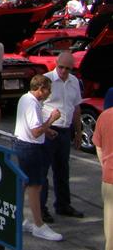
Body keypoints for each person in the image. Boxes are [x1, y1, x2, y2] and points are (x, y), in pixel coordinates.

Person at [14, 75, 64, 242]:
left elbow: (30, 126)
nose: (49, 94)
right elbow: (35, 132)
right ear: (41, 89)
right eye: (48, 90)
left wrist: (47, 131)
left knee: (22, 184)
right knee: (35, 186)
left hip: (21, 144)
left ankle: (19, 219)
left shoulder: (24, 98)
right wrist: (51, 120)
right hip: (30, 148)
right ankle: (39, 225)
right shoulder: (33, 104)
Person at [40, 52, 84, 221]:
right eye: (61, 67)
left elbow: (77, 108)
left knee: (62, 169)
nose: (64, 71)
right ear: (56, 64)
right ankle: (41, 209)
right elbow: (36, 105)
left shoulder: (74, 82)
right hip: (49, 130)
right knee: (43, 171)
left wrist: (78, 132)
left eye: (68, 68)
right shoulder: (46, 80)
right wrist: (43, 128)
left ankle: (63, 205)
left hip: (65, 131)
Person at [92, 97, 113, 250]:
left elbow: (98, 146)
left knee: (110, 225)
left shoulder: (104, 116)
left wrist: (104, 165)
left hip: (109, 176)